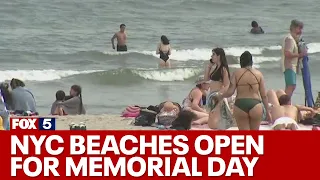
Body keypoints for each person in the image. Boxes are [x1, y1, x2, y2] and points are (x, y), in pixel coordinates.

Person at [214, 51, 271, 130]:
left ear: (241, 62)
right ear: (251, 61)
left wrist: (221, 96)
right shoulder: (259, 74)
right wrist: (268, 111)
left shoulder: (236, 73)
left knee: (244, 135)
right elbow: (263, 95)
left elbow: (231, 92)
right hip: (255, 104)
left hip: (240, 105)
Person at [204, 48, 233, 129]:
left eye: (213, 54)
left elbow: (227, 85)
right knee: (212, 119)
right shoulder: (214, 67)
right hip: (211, 95)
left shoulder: (223, 69)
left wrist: (219, 94)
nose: (211, 56)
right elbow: (206, 79)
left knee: (214, 120)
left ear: (219, 56)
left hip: (217, 95)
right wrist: (208, 67)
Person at [281, 20, 306, 103]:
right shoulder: (290, 39)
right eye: (299, 29)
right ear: (294, 28)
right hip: (289, 66)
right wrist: (300, 54)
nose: (301, 31)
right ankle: (284, 105)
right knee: (291, 86)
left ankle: (287, 103)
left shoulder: (292, 39)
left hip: (291, 66)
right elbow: (287, 53)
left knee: (290, 86)